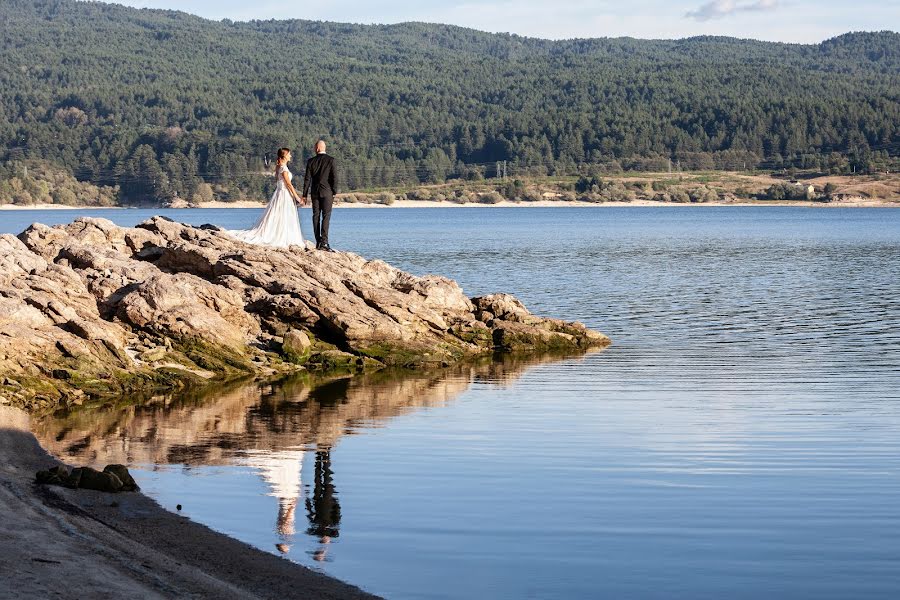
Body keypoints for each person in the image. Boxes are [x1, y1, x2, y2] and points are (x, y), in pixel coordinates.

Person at [228, 147, 305, 248]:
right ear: (285, 155)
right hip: (284, 194)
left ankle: (278, 232)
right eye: (289, 154)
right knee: (284, 214)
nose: (290, 156)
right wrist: (297, 198)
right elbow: (289, 184)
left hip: (279, 193)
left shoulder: (278, 166)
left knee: (278, 214)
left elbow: (278, 181)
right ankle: (281, 235)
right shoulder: (284, 169)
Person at [302, 140, 338, 251]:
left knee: (316, 216)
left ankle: (318, 241)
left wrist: (304, 194)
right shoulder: (331, 160)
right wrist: (334, 191)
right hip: (327, 192)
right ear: (324, 148)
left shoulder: (311, 161)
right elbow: (335, 178)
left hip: (315, 192)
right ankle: (324, 243)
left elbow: (307, 179)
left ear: (317, 149)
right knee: (326, 216)